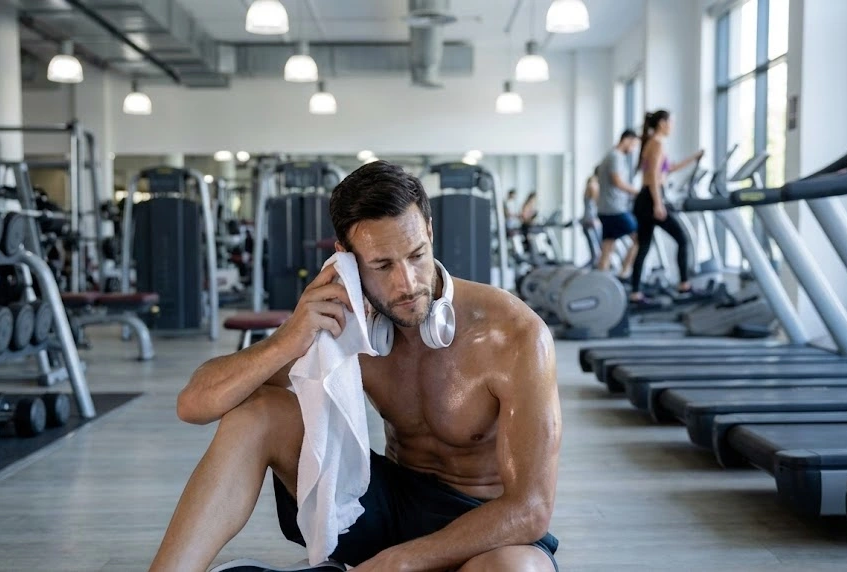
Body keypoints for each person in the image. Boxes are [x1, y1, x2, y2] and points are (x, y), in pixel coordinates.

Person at [150, 160, 562, 572]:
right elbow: (193, 405)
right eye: (382, 265)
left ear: (430, 234)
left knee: (519, 570)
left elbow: (530, 508)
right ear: (346, 259)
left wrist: (399, 562)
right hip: (385, 508)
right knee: (256, 414)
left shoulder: (515, 334)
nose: (406, 284)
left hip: (482, 531)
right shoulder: (345, 318)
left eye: (417, 255)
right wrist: (288, 339)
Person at [630, 110, 703, 302]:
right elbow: (654, 176)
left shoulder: (652, 142)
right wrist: (658, 204)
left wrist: (693, 158)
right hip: (650, 198)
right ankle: (684, 285)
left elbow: (668, 169)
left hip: (646, 198)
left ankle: (635, 292)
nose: (673, 125)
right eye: (671, 122)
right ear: (662, 123)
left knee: (644, 246)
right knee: (682, 238)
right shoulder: (656, 143)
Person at [595, 130, 642, 279]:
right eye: (634, 144)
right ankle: (624, 273)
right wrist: (637, 192)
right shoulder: (616, 156)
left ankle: (602, 280)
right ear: (626, 140)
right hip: (615, 209)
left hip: (605, 209)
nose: (633, 149)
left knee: (608, 245)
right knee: (640, 238)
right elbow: (617, 182)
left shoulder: (609, 155)